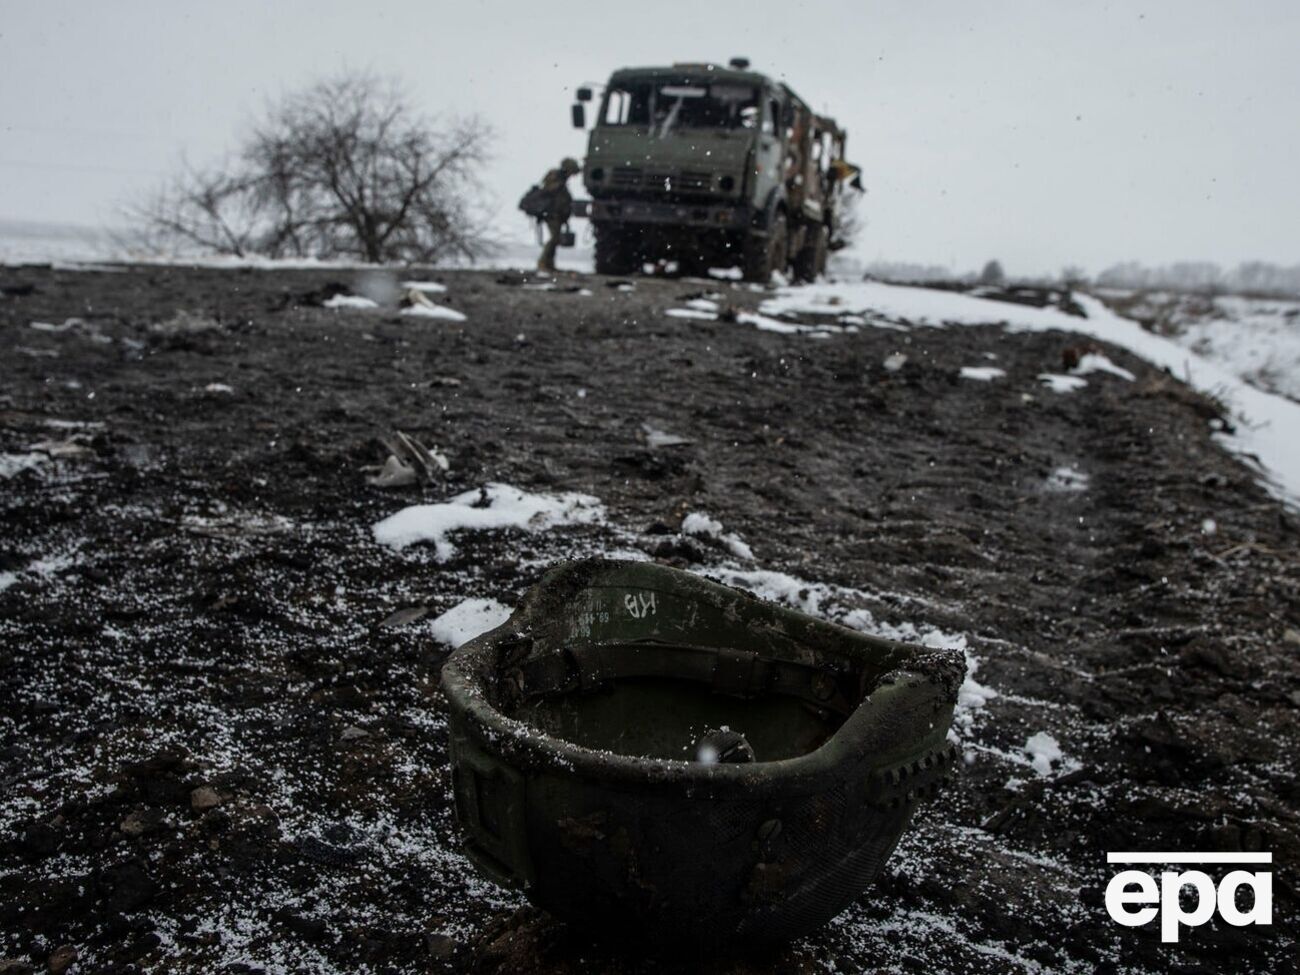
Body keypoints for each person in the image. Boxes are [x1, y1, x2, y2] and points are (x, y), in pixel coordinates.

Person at [535, 157, 580, 272]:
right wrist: (558, 186)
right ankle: (543, 262)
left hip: (558, 213)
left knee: (556, 238)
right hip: (551, 213)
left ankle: (549, 263)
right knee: (554, 238)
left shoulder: (562, 180)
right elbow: (548, 191)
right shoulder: (555, 177)